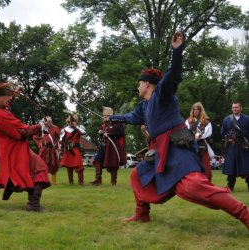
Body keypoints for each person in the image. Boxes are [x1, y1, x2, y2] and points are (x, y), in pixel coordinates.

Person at [106, 32, 249, 229]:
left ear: (147, 83)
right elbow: (132, 117)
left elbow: (173, 75)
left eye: (139, 83)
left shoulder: (162, 94)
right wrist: (112, 118)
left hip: (177, 148)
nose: (137, 86)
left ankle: (245, 214)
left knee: (194, 187)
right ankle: (142, 214)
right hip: (160, 151)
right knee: (137, 174)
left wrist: (176, 51)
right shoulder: (145, 106)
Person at [0, 83, 50, 212]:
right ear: (0, 97)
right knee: (39, 169)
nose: (10, 98)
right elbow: (22, 132)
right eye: (8, 96)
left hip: (10, 149)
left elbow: (8, 100)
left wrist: (15, 92)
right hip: (13, 150)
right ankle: (33, 204)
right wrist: (41, 126)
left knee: (3, 178)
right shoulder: (0, 115)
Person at [90, 107, 127, 186]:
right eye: (104, 116)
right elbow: (102, 133)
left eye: (106, 116)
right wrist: (101, 132)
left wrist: (109, 134)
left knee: (113, 164)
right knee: (97, 160)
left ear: (110, 115)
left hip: (113, 147)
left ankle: (113, 182)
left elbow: (121, 133)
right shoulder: (105, 124)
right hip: (104, 146)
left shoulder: (118, 123)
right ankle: (98, 180)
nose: (104, 118)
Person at [221, 101, 249, 191]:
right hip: (232, 146)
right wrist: (229, 137)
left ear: (241, 108)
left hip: (243, 146)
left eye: (236, 107)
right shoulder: (227, 119)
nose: (234, 109)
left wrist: (242, 135)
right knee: (231, 167)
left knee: (246, 166)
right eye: (233, 107)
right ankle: (230, 186)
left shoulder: (247, 119)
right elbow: (223, 132)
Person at [185, 102, 214, 181]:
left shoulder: (206, 121)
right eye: (194, 109)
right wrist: (192, 137)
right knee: (192, 165)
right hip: (191, 145)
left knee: (205, 165)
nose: (196, 111)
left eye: (197, 109)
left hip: (202, 145)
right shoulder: (189, 121)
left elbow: (208, 132)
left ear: (201, 110)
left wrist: (199, 135)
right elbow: (186, 131)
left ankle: (207, 182)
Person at [33, 116, 61, 185]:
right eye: (48, 121)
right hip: (43, 149)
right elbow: (35, 137)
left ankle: (54, 182)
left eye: (50, 121)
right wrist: (40, 144)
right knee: (42, 165)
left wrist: (57, 145)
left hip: (52, 149)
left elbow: (60, 137)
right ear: (45, 122)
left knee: (53, 165)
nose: (49, 123)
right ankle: (44, 181)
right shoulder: (41, 128)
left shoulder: (55, 128)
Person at [59, 114, 85, 185]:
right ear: (68, 121)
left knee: (80, 166)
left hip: (76, 149)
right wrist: (61, 149)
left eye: (74, 121)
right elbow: (61, 140)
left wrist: (76, 127)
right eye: (71, 121)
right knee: (69, 167)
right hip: (68, 150)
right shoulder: (64, 130)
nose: (72, 122)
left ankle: (81, 182)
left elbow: (83, 133)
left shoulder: (78, 129)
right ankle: (71, 182)